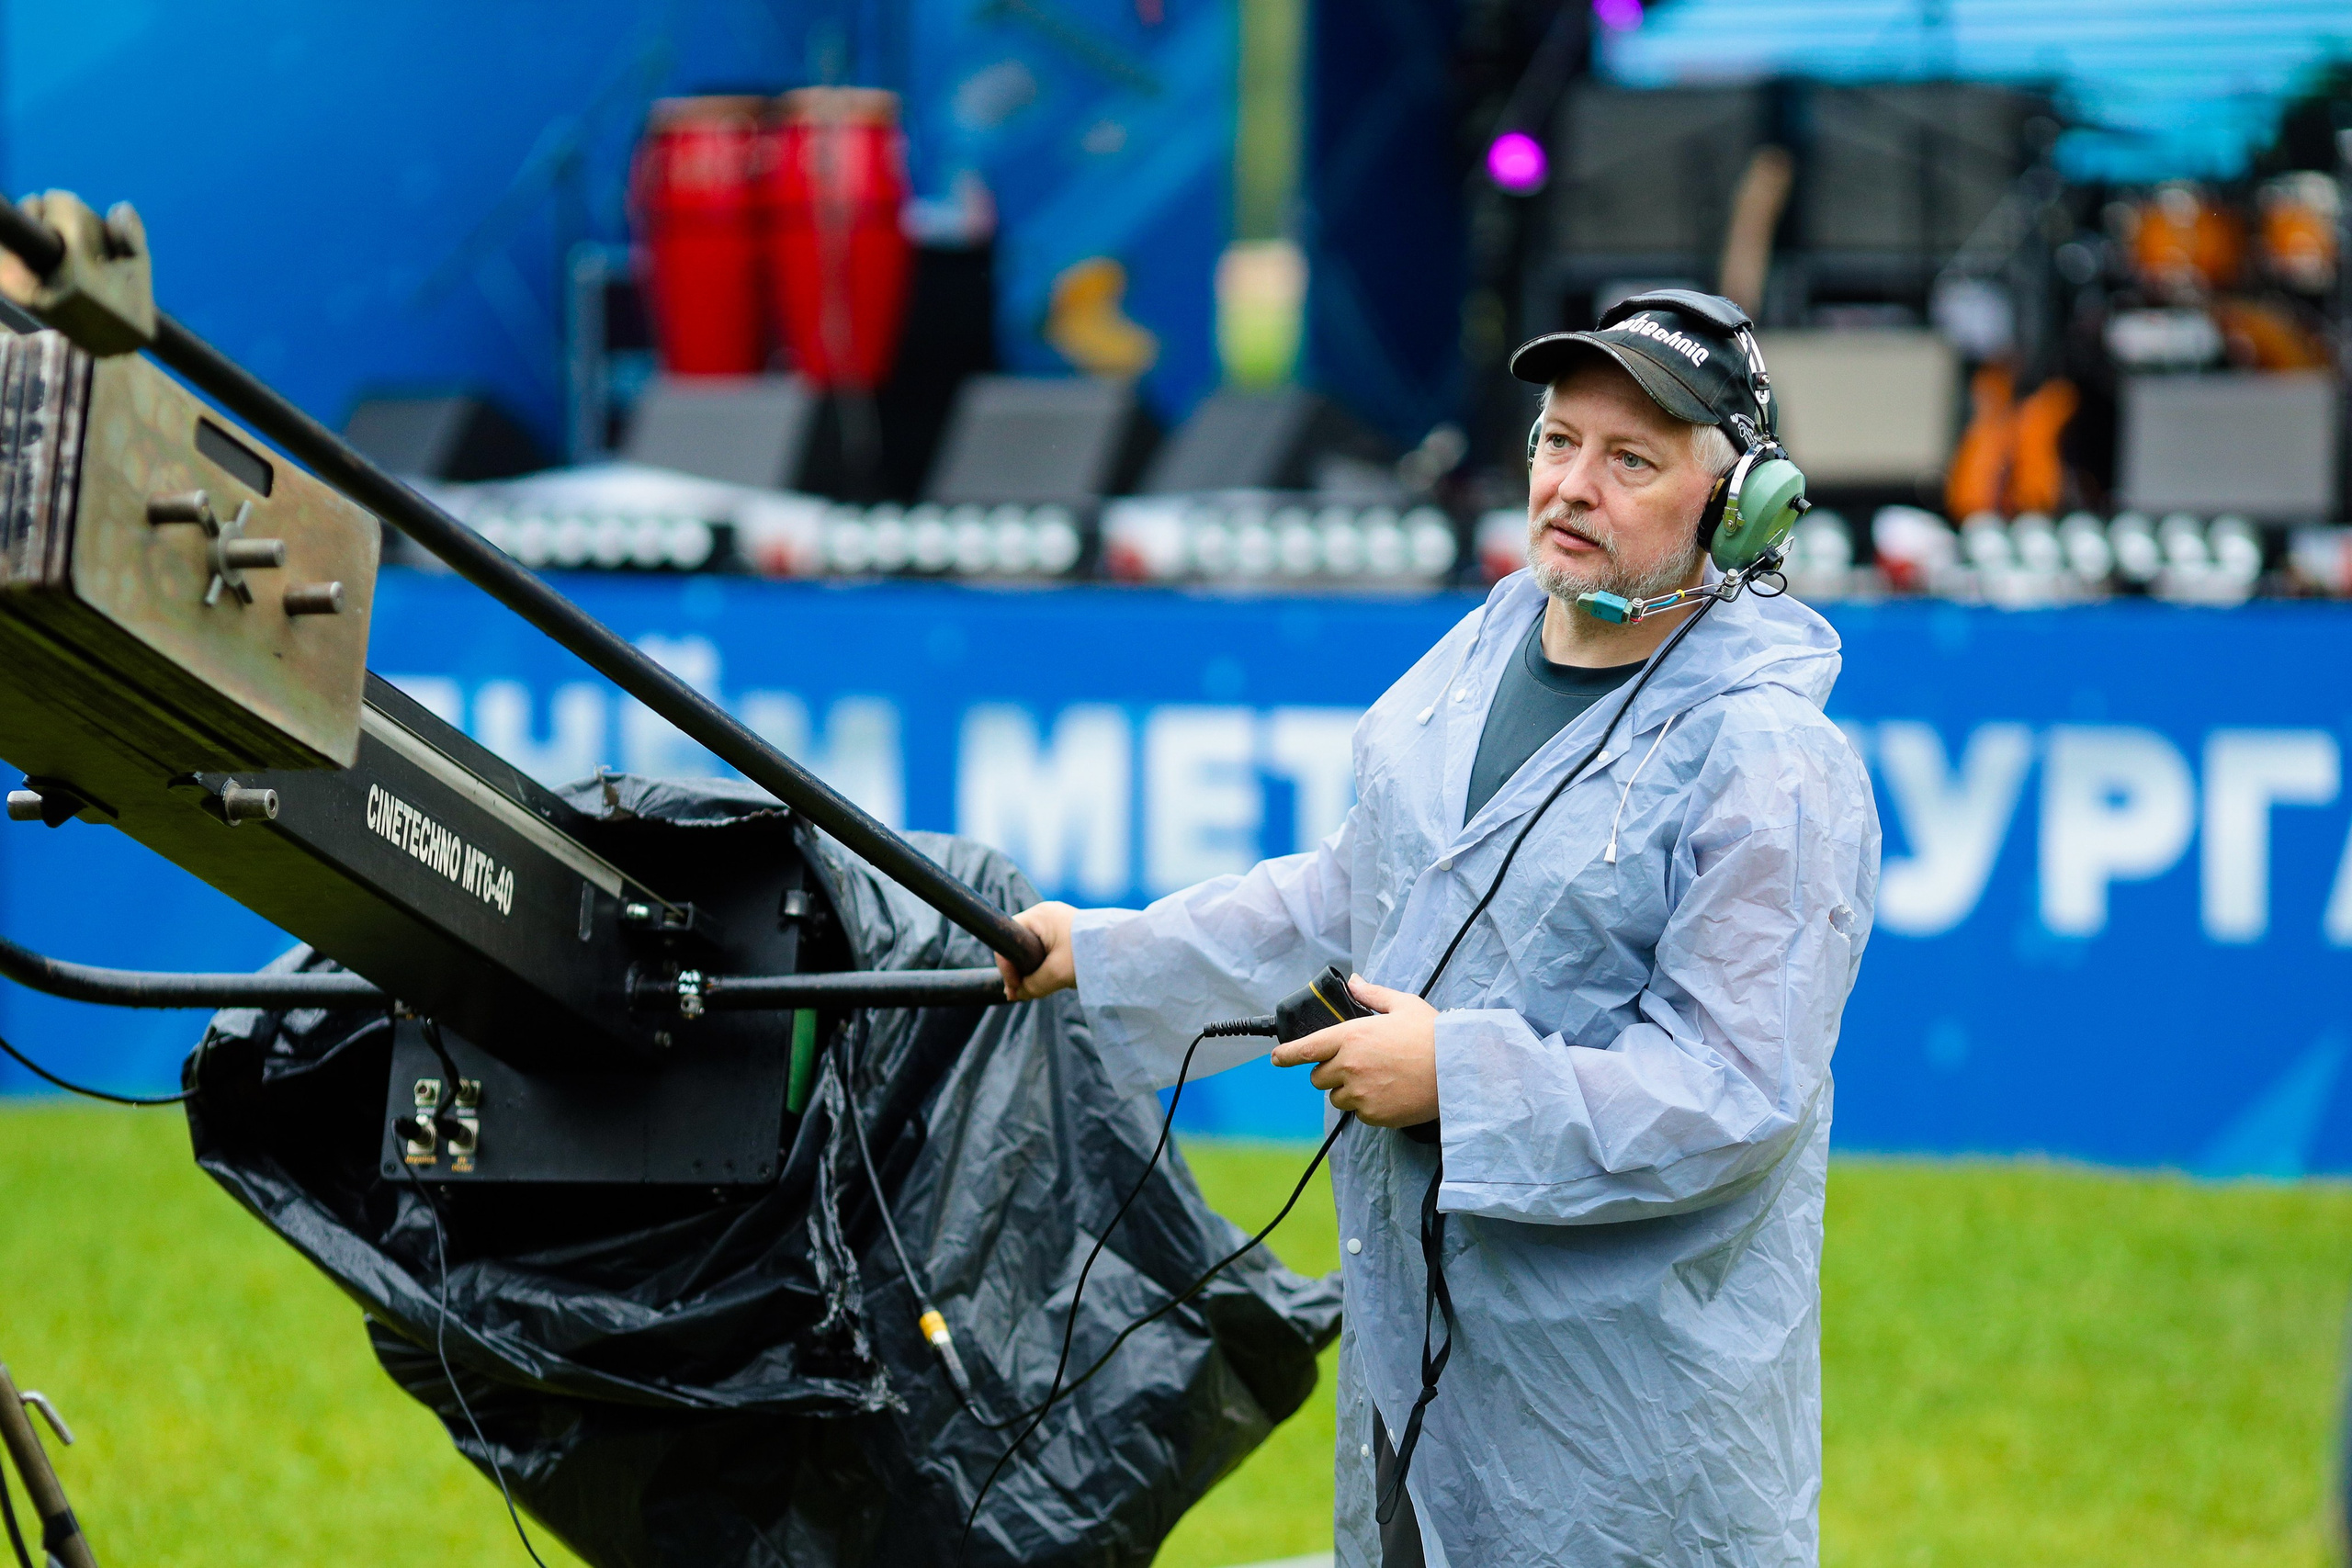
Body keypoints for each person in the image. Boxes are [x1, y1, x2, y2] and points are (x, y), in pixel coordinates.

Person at [999, 292, 1881, 1567]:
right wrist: (1107, 951)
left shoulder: (1773, 761)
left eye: (1630, 460)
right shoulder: (1485, 645)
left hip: (1628, 1446)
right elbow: (1350, 895)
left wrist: (1454, 1080)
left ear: (1738, 508)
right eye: (1557, 441)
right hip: (1417, 1407)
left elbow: (1733, 1095)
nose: (1573, 485)